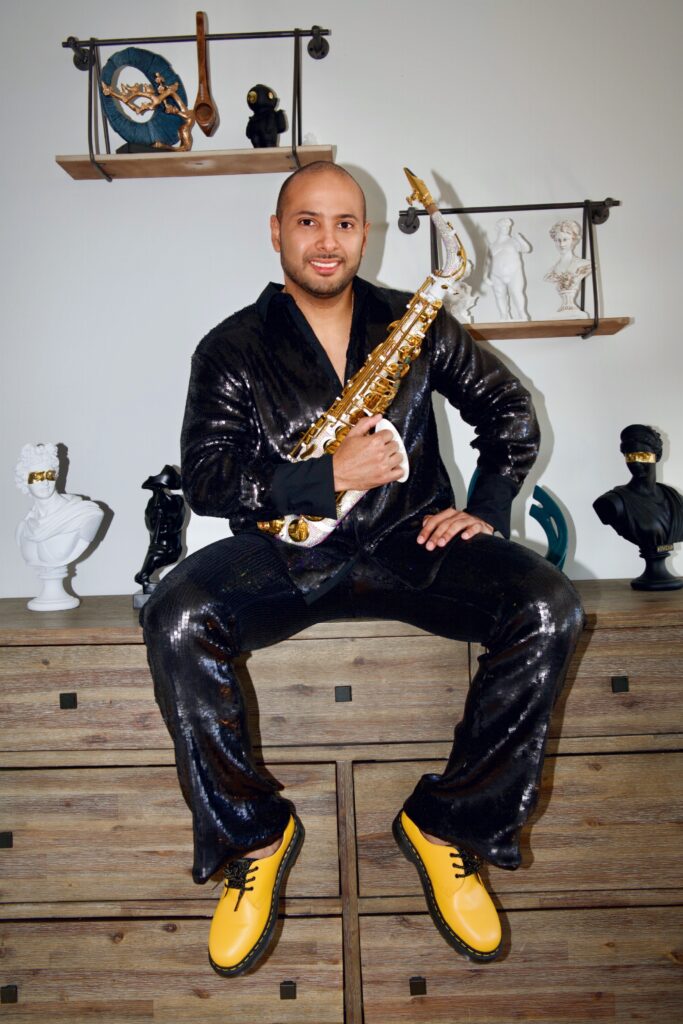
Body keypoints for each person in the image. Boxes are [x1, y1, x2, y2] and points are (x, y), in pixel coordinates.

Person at [141, 162, 584, 976]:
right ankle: (253, 838)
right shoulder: (232, 346)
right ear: (276, 232)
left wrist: (486, 507)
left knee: (548, 606)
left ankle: (448, 825)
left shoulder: (417, 323)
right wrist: (325, 476)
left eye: (344, 222)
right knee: (175, 615)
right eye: (307, 221)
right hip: (287, 550)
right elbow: (206, 478)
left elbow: (508, 414)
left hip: (413, 544)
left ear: (364, 234)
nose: (326, 240)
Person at [15, 442, 104, 609]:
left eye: (49, 475)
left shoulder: (85, 514)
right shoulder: (23, 529)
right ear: (24, 481)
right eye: (37, 477)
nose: (45, 482)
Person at [593, 424, 683, 589]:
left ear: (656, 456)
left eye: (642, 455)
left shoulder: (675, 498)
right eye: (630, 456)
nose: (635, 462)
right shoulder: (612, 502)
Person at [485, 217, 530, 321]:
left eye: (507, 227)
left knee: (516, 293)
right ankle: (504, 316)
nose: (506, 228)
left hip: (514, 273)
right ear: (497, 228)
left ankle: (522, 314)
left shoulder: (513, 241)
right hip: (496, 275)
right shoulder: (492, 246)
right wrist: (485, 276)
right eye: (503, 226)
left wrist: (520, 239)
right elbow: (487, 263)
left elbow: (526, 249)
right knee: (499, 295)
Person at [544, 219, 592, 317]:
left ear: (573, 240)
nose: (561, 244)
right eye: (558, 240)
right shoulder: (551, 271)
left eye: (565, 239)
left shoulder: (585, 265)